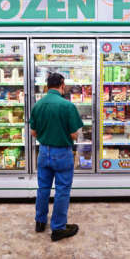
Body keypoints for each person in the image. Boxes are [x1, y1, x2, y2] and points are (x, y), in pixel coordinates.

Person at [30, 72, 83, 242]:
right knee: (62, 190)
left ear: (47, 86)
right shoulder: (67, 106)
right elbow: (74, 135)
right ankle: (58, 228)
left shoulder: (38, 105)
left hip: (43, 152)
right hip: (62, 153)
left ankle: (40, 222)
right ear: (62, 84)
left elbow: (33, 132)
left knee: (43, 188)